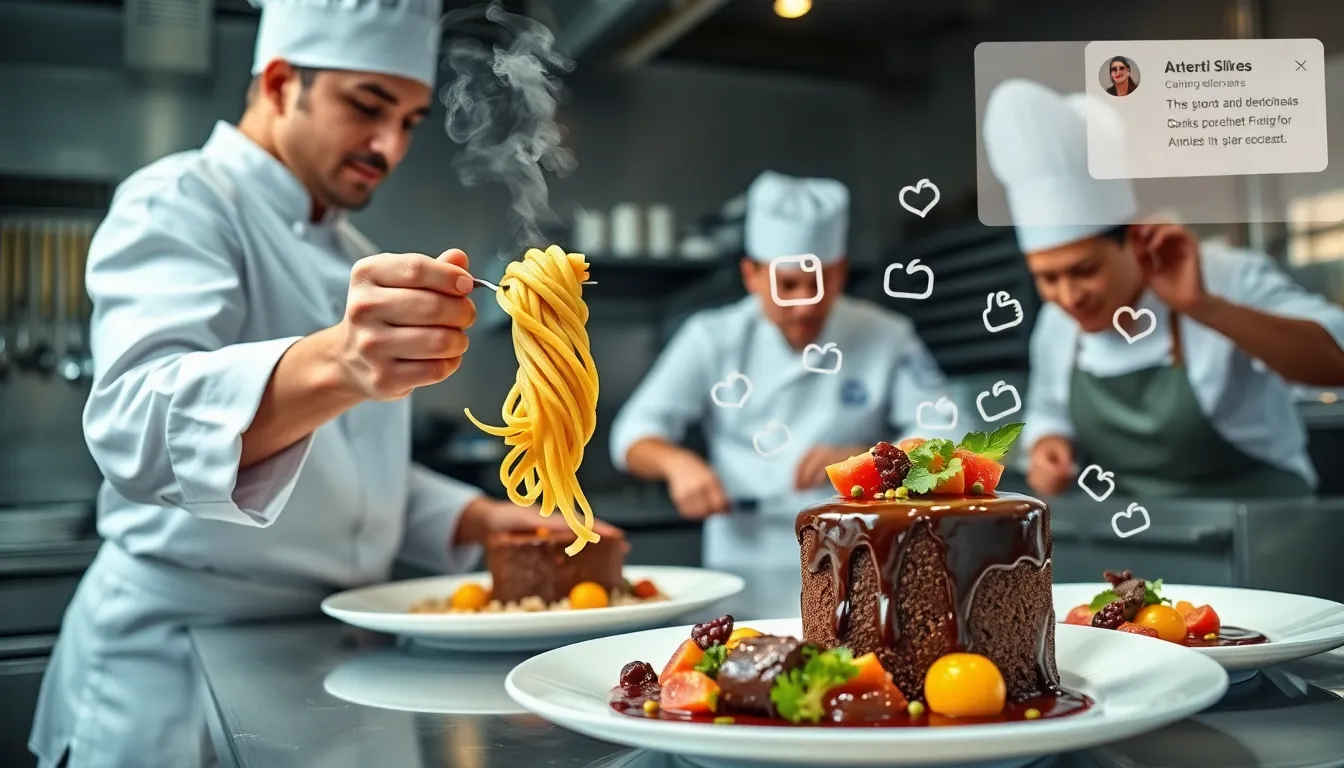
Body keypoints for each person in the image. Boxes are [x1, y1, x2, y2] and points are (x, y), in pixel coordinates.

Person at [27, 2, 619, 767]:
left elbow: (347, 471)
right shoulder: (180, 200)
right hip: (175, 667)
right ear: (278, 83)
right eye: (366, 107)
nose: (390, 146)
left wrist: (477, 518)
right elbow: (135, 429)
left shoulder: (355, 248)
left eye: (409, 120)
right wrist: (340, 360)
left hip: (328, 659)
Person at [983, 78, 1344, 500]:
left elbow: (1336, 362)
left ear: (1133, 239)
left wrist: (1203, 306)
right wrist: (1048, 446)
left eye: (1084, 270)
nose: (1068, 296)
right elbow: (1049, 411)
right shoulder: (1057, 325)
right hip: (1145, 536)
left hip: (1265, 526)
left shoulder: (1226, 276)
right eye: (1047, 278)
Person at [609, 171, 947, 570]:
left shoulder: (888, 336)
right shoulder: (710, 337)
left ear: (841, 271)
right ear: (751, 275)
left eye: (819, 282)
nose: (805, 304)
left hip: (861, 561)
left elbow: (948, 436)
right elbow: (631, 436)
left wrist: (874, 461)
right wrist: (677, 465)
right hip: (745, 564)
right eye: (788, 285)